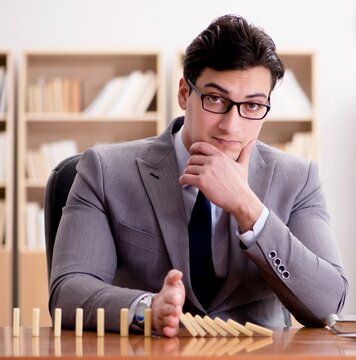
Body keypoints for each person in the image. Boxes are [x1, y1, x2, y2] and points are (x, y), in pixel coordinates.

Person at [49, 14, 348, 337]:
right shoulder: (105, 170)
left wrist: (249, 208)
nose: (231, 126)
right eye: (216, 99)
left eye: (252, 106)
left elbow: (328, 305)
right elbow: (68, 291)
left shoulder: (298, 178)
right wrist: (147, 308)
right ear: (183, 94)